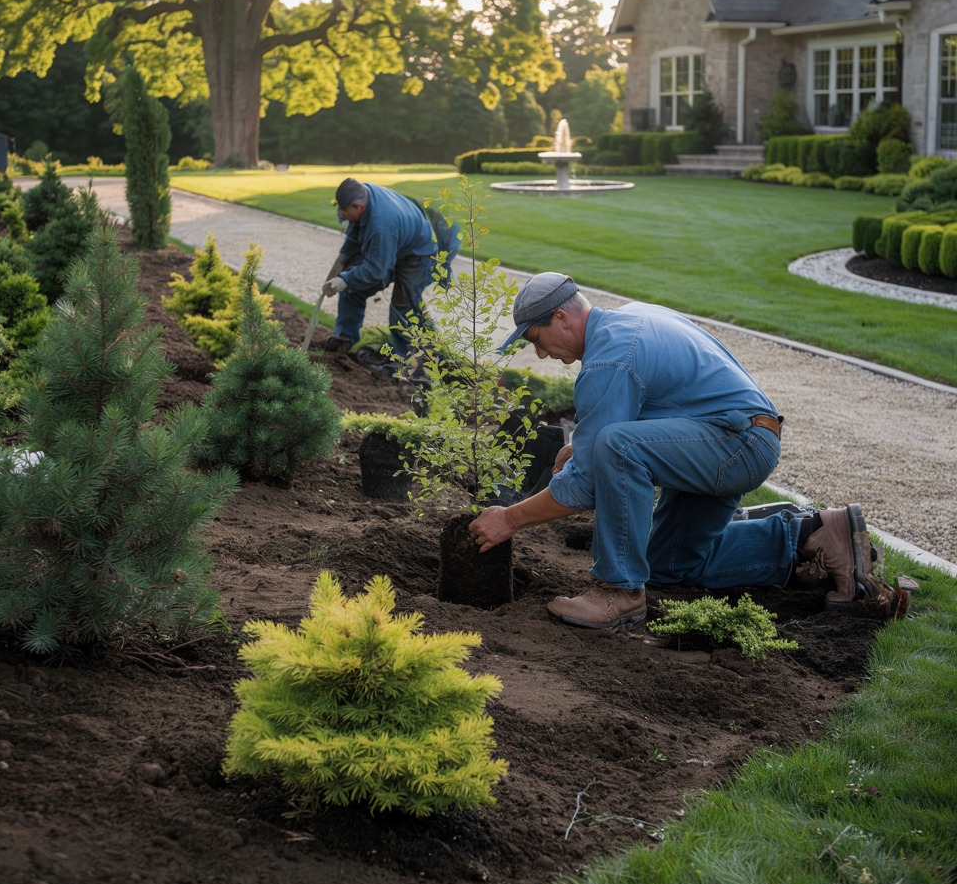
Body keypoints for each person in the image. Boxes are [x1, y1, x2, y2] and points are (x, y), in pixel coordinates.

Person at [468, 272, 907, 629]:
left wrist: (509, 518)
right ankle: (813, 535)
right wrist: (580, 450)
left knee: (616, 449)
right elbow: (659, 398)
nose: (540, 354)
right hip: (732, 438)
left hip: (735, 444)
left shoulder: (608, 359)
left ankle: (618, 591)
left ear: (562, 317)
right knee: (668, 564)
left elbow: (590, 485)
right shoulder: (630, 321)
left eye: (537, 339)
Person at [318, 179, 460, 372]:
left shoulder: (381, 227)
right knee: (353, 289)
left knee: (403, 308)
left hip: (418, 254)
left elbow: (377, 270)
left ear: (359, 206)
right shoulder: (363, 193)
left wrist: (344, 279)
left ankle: (404, 362)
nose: (346, 220)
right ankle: (345, 338)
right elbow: (354, 233)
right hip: (398, 243)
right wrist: (339, 267)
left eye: (347, 215)